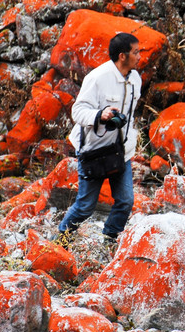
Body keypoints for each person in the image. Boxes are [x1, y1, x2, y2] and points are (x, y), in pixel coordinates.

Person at [55, 32, 142, 247]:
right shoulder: (97, 77)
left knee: (125, 201)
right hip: (93, 150)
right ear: (122, 56)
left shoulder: (135, 79)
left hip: (121, 150)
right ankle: (60, 242)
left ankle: (109, 239)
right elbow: (78, 112)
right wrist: (99, 115)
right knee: (85, 206)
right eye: (136, 52)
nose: (139, 57)